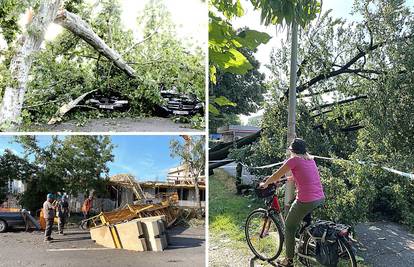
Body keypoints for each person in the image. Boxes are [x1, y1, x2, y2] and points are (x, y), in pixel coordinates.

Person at [260, 138, 325, 267]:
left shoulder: (294, 160)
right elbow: (303, 175)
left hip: (305, 200)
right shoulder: (310, 160)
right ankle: (303, 248)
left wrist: (265, 183)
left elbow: (275, 175)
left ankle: (288, 261)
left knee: (289, 228)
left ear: (293, 151)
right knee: (304, 224)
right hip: (319, 198)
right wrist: (287, 179)